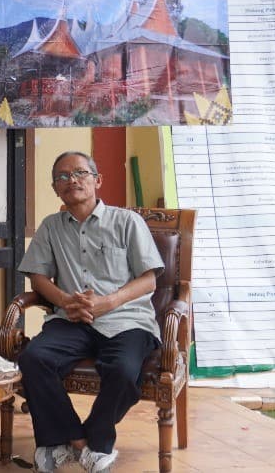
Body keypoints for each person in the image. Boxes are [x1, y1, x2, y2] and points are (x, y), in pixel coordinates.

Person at [16, 152, 164, 473]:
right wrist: (65, 301)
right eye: (63, 177)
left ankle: (96, 439)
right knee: (34, 358)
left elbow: (149, 278)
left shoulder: (127, 222)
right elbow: (37, 276)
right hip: (72, 319)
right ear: (55, 189)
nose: (72, 181)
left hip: (125, 319)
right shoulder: (51, 226)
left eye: (80, 173)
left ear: (97, 180)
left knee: (124, 371)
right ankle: (77, 442)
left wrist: (108, 302)